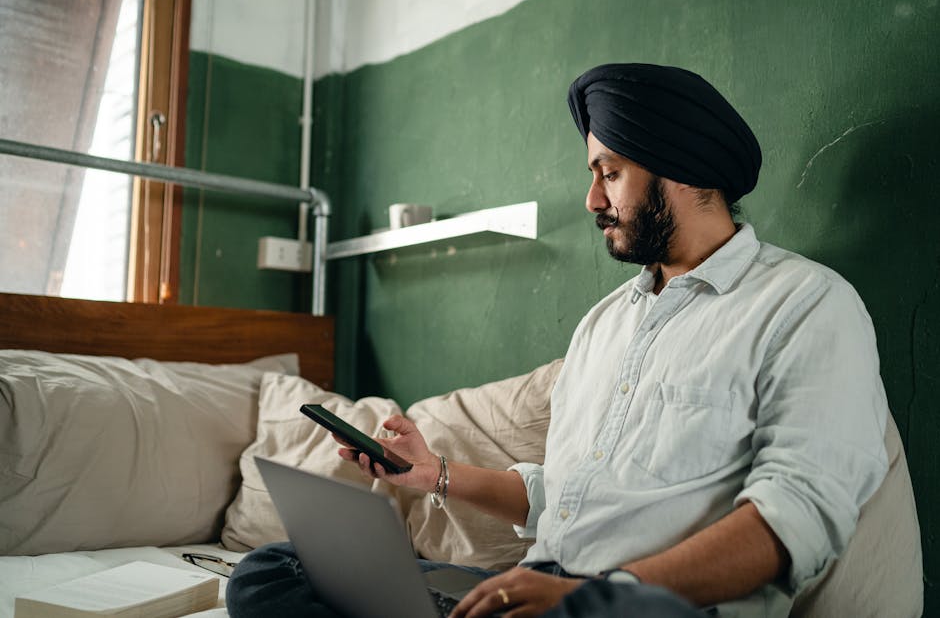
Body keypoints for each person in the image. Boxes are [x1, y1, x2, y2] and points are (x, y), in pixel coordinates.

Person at [226, 63, 889, 617]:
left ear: (686, 170)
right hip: (545, 585)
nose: (591, 200)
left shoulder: (805, 305)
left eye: (610, 172)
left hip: (646, 606)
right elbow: (565, 498)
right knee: (273, 571)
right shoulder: (605, 322)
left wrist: (591, 596)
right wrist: (434, 474)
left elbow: (795, 518)